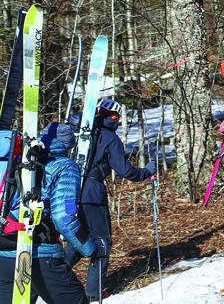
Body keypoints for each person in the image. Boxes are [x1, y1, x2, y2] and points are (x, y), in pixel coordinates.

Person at [64, 99, 155, 300]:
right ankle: (94, 291)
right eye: (115, 116)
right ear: (107, 116)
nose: (117, 120)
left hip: (71, 192)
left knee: (79, 238)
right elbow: (125, 170)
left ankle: (52, 275)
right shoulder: (110, 138)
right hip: (93, 196)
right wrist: (146, 172)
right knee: (102, 241)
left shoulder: (84, 135)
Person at [0, 123, 102, 304]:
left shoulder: (18, 160)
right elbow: (64, 217)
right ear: (69, 145)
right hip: (39, 255)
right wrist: (90, 247)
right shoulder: (64, 166)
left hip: (4, 254)